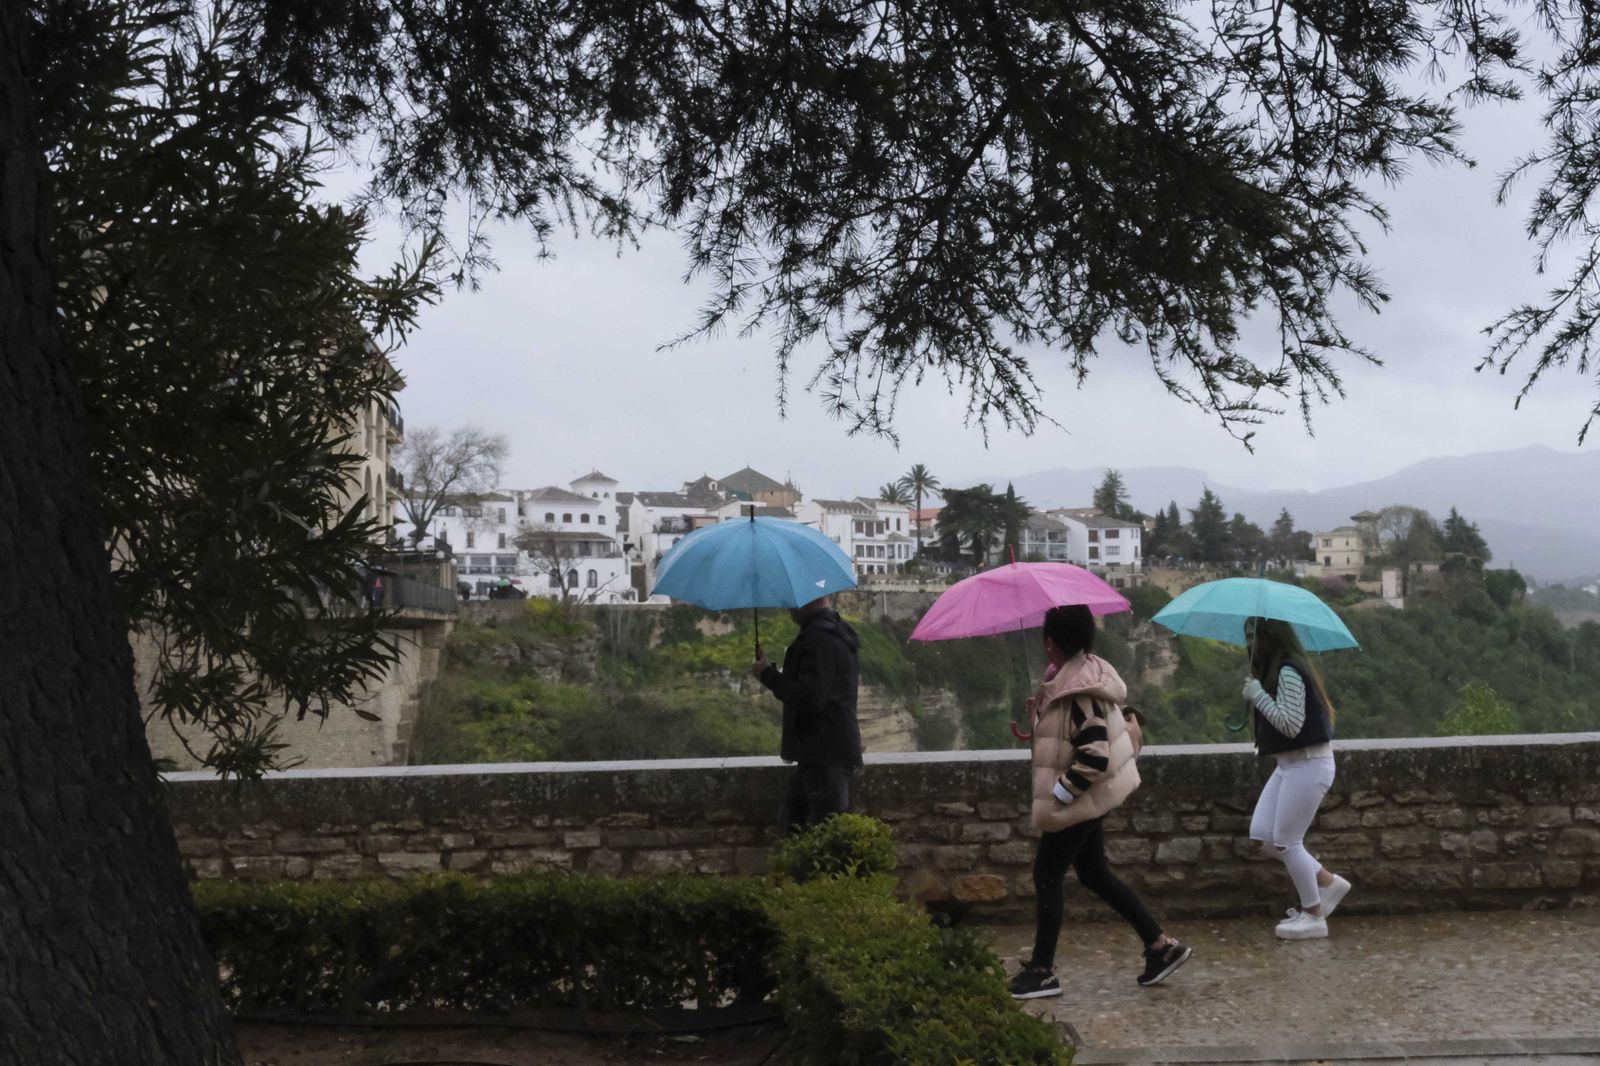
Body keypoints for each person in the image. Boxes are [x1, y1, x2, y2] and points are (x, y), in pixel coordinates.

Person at [1010, 605, 1191, 999]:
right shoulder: (1081, 676)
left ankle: (1042, 970)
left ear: (1050, 642)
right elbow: (1073, 737)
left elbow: (1093, 756)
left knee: (1046, 874)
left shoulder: (1078, 693)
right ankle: (1161, 946)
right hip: (1094, 797)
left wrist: (1061, 795)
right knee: (1093, 873)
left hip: (1080, 799)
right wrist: (1039, 718)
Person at [1243, 616, 1351, 940]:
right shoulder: (1277, 671)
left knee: (1287, 841)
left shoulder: (1289, 671)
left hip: (1308, 764)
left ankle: (1313, 915)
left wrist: (1258, 695)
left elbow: (1291, 724)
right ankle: (1327, 882)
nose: (1249, 643)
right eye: (1247, 636)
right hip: (1289, 764)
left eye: (1254, 636)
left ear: (1270, 638)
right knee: (1263, 834)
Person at [750, 595, 863, 835]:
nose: (789, 608)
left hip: (824, 755)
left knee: (822, 837)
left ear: (804, 602)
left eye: (791, 601)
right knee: (795, 826)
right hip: (822, 753)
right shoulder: (833, 632)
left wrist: (767, 676)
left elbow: (812, 697)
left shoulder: (819, 639)